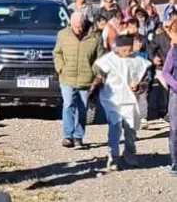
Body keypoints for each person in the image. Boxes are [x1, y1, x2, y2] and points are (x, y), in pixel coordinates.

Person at [91, 34, 150, 172]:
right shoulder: (108, 61)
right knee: (114, 129)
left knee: (130, 130)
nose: (126, 53)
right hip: (113, 100)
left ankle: (130, 154)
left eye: (129, 50)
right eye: (123, 50)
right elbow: (98, 78)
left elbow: (144, 82)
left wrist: (138, 86)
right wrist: (92, 94)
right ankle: (113, 157)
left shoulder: (138, 61)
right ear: (117, 48)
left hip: (130, 101)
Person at [53, 12, 103, 150]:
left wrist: (95, 73)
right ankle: (67, 136)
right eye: (75, 27)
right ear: (70, 24)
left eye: (80, 26)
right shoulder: (63, 35)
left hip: (86, 79)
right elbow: (57, 53)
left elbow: (100, 58)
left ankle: (78, 136)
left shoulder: (95, 36)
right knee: (68, 104)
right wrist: (60, 67)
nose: (78, 29)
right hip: (67, 76)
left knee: (82, 109)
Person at [160, 22, 177, 176]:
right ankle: (175, 162)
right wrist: (175, 85)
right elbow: (166, 72)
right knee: (175, 129)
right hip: (176, 95)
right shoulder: (174, 51)